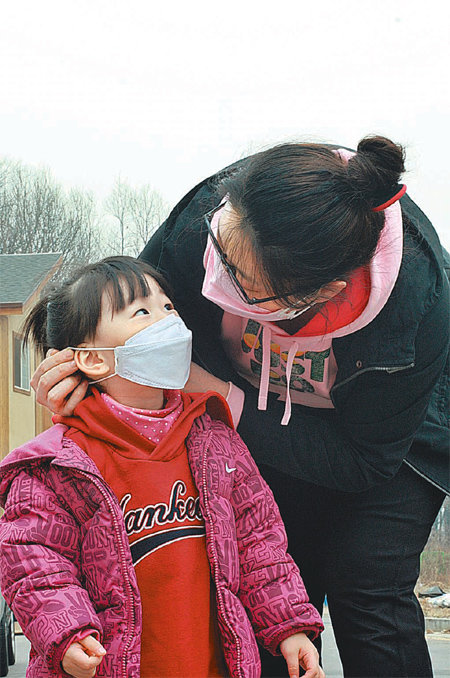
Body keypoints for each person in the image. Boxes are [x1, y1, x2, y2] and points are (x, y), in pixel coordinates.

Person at [31, 136, 449, 678]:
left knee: (366, 581)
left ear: (318, 295)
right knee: (263, 574)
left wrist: (218, 394)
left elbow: (363, 460)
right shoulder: (209, 222)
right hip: (250, 430)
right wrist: (73, 372)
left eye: (240, 280)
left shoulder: (416, 299)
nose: (211, 276)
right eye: (218, 245)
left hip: (387, 446)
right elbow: (111, 308)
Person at [0, 256, 325, 678]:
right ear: (95, 359)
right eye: (142, 311)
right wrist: (67, 632)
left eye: (168, 307)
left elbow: (260, 544)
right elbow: (34, 559)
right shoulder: (55, 465)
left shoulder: (216, 442)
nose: (168, 321)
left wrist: (290, 625)